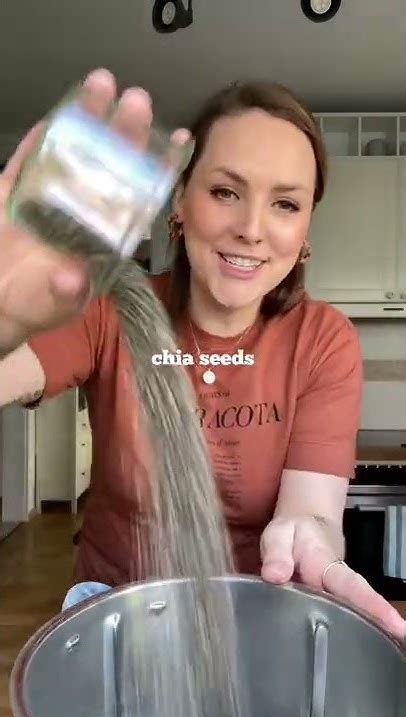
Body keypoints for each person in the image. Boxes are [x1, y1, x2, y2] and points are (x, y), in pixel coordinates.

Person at [0, 68, 405, 641]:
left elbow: (310, 512)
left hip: (255, 616)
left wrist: (308, 538)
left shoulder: (322, 340)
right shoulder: (110, 309)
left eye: (285, 204)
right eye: (225, 192)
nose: (251, 229)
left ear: (305, 228)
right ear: (181, 201)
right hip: (118, 615)